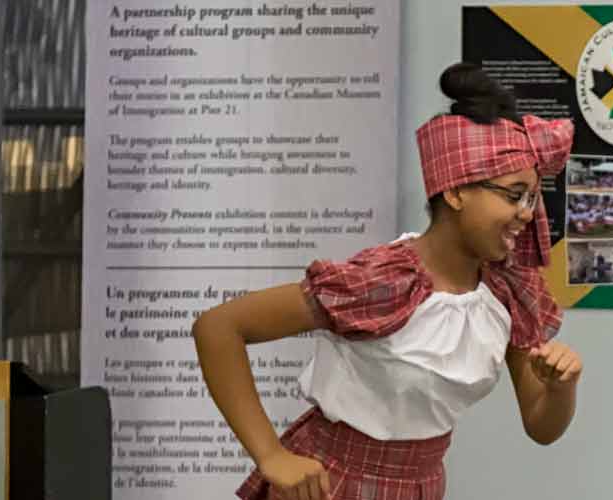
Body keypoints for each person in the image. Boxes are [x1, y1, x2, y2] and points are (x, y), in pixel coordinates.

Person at [192, 62, 585, 500]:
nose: (528, 213)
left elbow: (541, 427)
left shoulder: (505, 293)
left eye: (532, 197)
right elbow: (218, 327)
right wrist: (270, 455)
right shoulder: (383, 281)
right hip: (330, 485)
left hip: (422, 485)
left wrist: (560, 388)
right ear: (455, 191)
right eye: (513, 195)